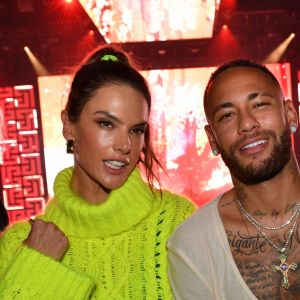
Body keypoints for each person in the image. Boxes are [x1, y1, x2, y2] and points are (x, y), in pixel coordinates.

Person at [0, 45, 195, 299]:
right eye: (106, 123)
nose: (125, 145)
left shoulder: (175, 222)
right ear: (69, 126)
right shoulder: (20, 243)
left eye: (136, 130)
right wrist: (36, 266)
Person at [167, 59, 300, 299]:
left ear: (290, 114)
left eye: (259, 104)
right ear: (212, 140)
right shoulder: (193, 244)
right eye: (227, 115)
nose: (247, 124)